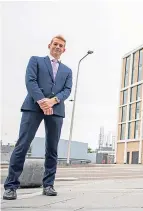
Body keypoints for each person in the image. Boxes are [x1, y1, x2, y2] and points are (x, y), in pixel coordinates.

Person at [3, 35, 73, 200]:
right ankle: (11, 186)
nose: (57, 47)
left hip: (56, 110)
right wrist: (42, 101)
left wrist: (53, 101)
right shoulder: (35, 60)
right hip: (33, 107)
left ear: (64, 50)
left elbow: (67, 90)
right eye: (55, 44)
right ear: (49, 45)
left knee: (52, 149)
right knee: (22, 145)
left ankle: (48, 185)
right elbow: (30, 81)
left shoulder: (67, 71)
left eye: (61, 45)